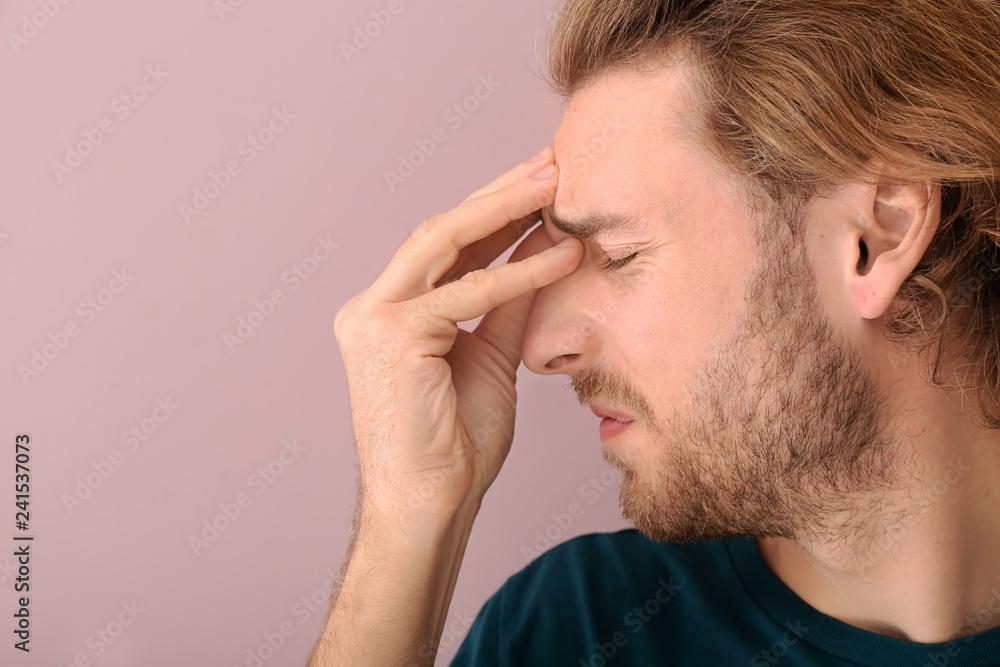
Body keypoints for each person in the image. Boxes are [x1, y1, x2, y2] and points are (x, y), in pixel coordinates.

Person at [307, 0, 1000, 664]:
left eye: (618, 255)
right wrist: (407, 521)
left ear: (877, 235)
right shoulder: (576, 624)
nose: (540, 348)